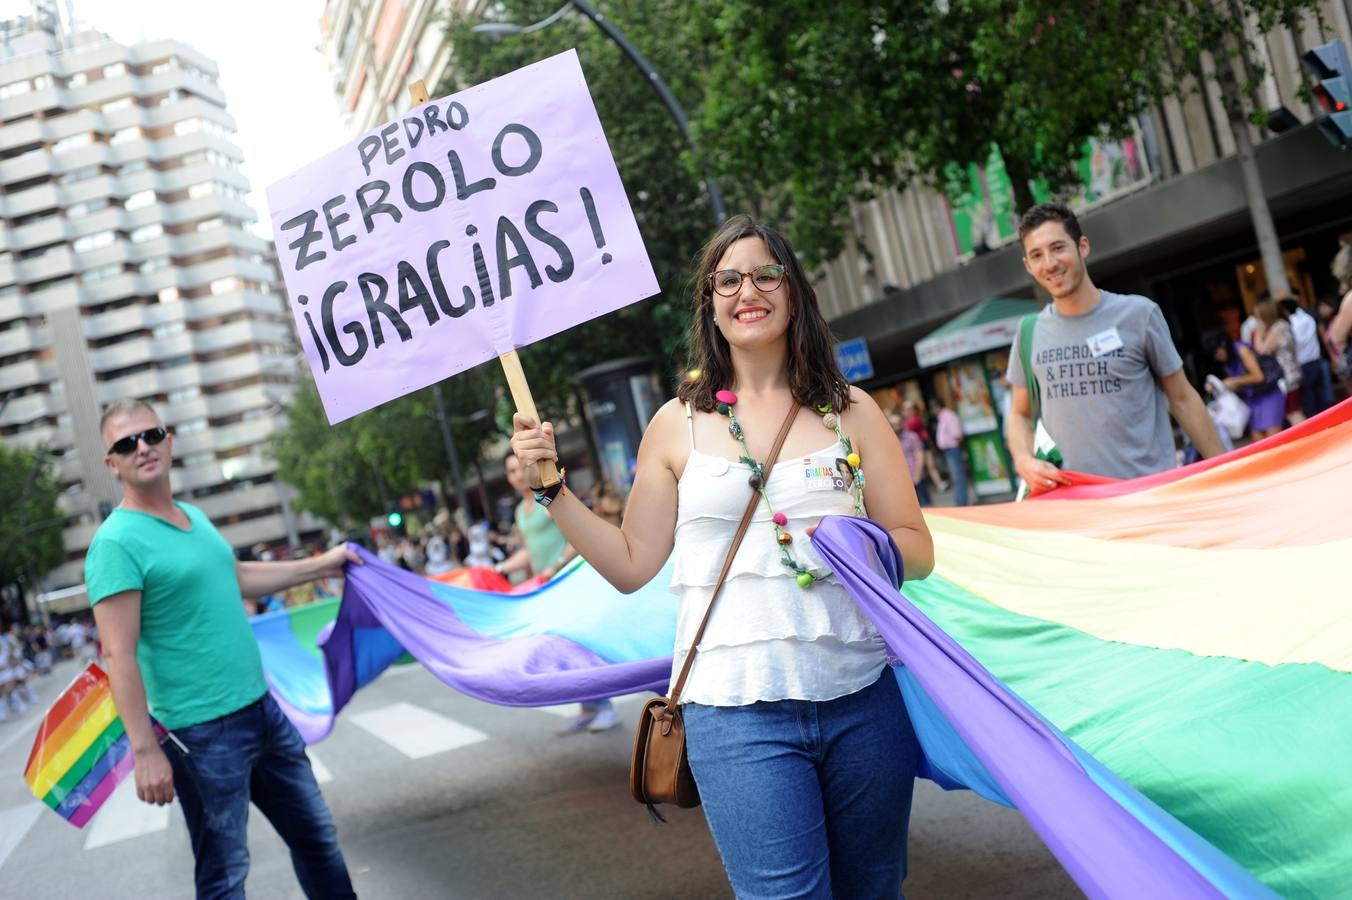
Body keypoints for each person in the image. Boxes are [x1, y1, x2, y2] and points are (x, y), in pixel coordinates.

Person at [510, 215, 933, 897]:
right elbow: (629, 564)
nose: (747, 291)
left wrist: (859, 546)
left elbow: (918, 550)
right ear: (710, 303)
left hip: (863, 703)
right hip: (734, 715)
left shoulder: (851, 412)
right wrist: (553, 488)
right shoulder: (674, 424)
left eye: (766, 273)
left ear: (793, 292)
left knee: (874, 891)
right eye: (727, 279)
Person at [85, 399, 358, 899]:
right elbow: (117, 655)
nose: (142, 448)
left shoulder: (192, 516)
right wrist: (145, 751)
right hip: (199, 734)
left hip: (262, 711)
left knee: (318, 840)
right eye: (126, 444)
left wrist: (323, 565)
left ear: (169, 440)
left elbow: (237, 578)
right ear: (112, 463)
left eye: (151, 435)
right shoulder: (115, 544)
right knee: (225, 878)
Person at [1006, 203, 1225, 493]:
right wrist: (1023, 460)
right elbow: (1019, 413)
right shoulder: (1029, 332)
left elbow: (1183, 399)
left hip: (1147, 496)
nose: (1049, 263)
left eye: (1058, 247)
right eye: (1037, 255)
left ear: (1082, 247)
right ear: (1028, 266)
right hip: (1071, 508)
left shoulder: (1139, 315)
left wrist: (1227, 473)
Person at [497, 453, 617, 734]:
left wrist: (557, 565)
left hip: (569, 579)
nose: (516, 475)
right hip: (548, 587)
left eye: (519, 468)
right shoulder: (520, 512)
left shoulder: (549, 495)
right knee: (564, 648)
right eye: (511, 471)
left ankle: (606, 707)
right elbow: (528, 551)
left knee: (581, 645)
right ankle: (588, 708)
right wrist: (500, 567)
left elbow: (577, 534)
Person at [1201, 331, 1285, 439]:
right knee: (1258, 441)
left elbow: (1259, 376)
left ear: (1223, 345)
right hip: (1254, 400)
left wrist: (1235, 381)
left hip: (1269, 395)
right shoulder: (1228, 360)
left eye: (1217, 353)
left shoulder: (1241, 350)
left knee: (1274, 439)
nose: (1217, 357)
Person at [1251, 297, 1304, 426]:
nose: (1257, 320)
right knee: (1293, 411)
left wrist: (1258, 332)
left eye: (1258, 317)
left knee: (1293, 413)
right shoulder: (1282, 325)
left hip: (1288, 376)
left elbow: (1262, 350)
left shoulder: (1277, 328)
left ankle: (1313, 440)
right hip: (1292, 373)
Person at [1280, 294, 1334, 417]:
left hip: (1303, 365)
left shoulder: (1291, 324)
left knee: (1309, 402)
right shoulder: (1308, 317)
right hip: (1316, 361)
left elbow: (1294, 345)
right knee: (1321, 398)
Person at [934, 398, 968, 506]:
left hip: (952, 450)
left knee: (958, 477)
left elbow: (957, 435)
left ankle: (961, 504)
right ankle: (960, 502)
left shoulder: (949, 416)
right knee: (956, 477)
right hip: (949, 451)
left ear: (938, 407)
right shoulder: (943, 417)